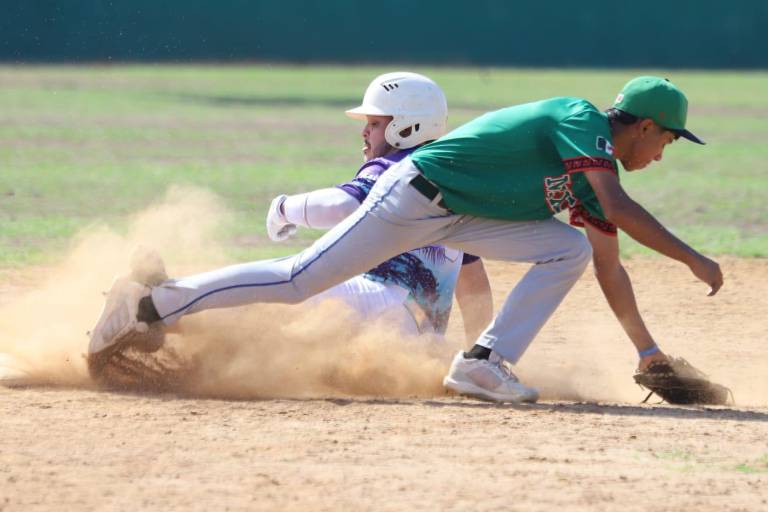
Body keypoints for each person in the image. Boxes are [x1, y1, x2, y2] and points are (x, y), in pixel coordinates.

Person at [88, 75, 723, 404]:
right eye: (667, 141)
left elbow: (610, 268)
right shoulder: (578, 120)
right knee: (298, 281)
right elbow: (618, 204)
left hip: (461, 218)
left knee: (571, 249)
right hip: (416, 196)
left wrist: (649, 353)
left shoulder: (592, 175)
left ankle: (482, 363)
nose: (664, 155)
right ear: (644, 127)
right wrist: (692, 257)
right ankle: (149, 304)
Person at [264, 71, 492, 340]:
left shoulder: (394, 168)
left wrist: (282, 209)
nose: (364, 132)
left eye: (374, 123)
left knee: (267, 290)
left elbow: (339, 206)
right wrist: (481, 354)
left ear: (406, 128)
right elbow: (473, 284)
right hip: (422, 341)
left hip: (381, 310)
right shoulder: (453, 182)